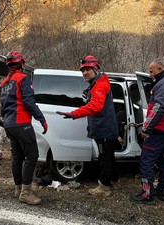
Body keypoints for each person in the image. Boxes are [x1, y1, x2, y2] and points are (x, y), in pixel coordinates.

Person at [57, 55, 119, 197]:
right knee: (109, 156)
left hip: (103, 129)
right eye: (82, 70)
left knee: (104, 157)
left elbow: (95, 107)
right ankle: (113, 179)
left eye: (88, 69)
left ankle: (104, 187)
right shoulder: (97, 84)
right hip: (104, 128)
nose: (84, 73)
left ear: (96, 69)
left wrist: (74, 114)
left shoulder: (100, 85)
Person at [130, 58, 164, 204]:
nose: (150, 74)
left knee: (146, 161)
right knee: (163, 160)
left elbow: (159, 107)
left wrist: (147, 127)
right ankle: (162, 191)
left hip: (159, 129)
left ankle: (147, 194)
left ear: (160, 68)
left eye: (152, 71)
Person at [0, 50, 48, 205]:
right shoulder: (23, 78)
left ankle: (18, 188)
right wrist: (42, 119)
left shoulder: (3, 83)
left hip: (9, 125)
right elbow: (29, 102)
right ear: (21, 63)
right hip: (22, 124)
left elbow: (3, 107)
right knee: (32, 156)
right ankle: (25, 193)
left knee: (17, 157)